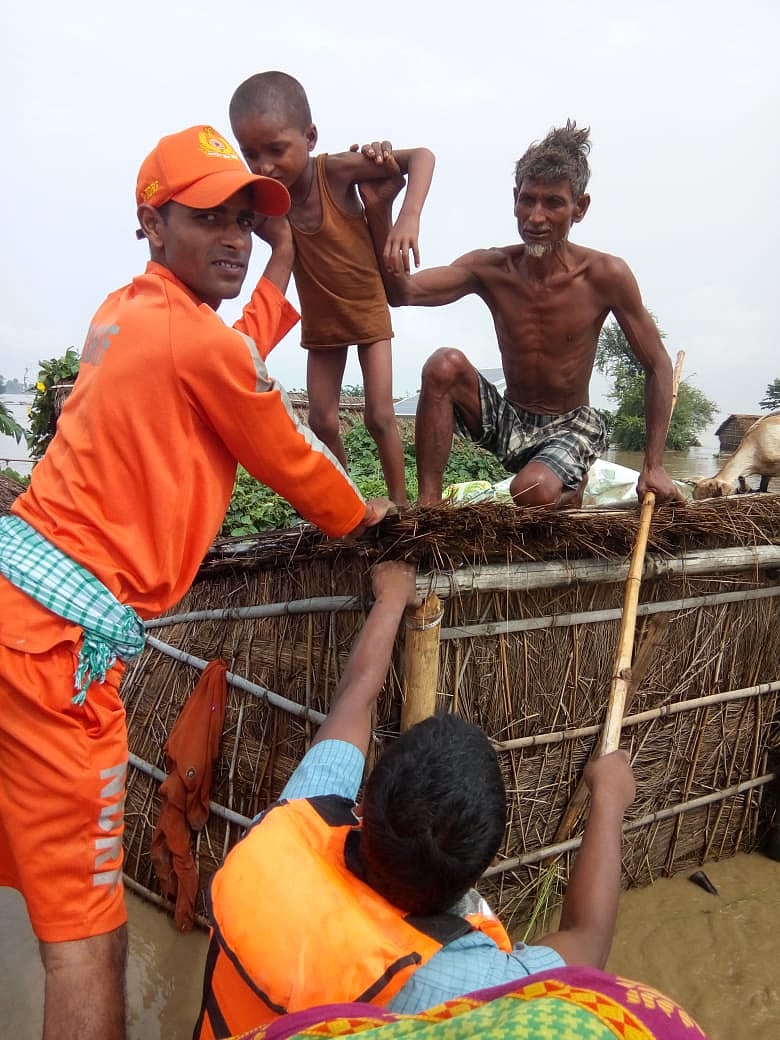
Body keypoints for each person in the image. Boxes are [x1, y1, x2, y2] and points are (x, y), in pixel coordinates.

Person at [0, 123, 391, 1040]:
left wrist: (279, 268)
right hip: (58, 660)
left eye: (244, 221)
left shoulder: (126, 311)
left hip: (18, 602)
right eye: (207, 214)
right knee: (89, 937)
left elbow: (224, 355)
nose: (231, 235)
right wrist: (373, 518)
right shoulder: (193, 343)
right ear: (151, 221)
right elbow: (296, 460)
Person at [194, 560, 636, 1040]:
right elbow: (588, 941)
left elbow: (354, 699)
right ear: (476, 879)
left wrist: (390, 597)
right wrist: (609, 799)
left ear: (362, 806)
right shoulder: (467, 982)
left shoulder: (287, 828)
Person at [359, 122, 684, 507]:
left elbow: (658, 365)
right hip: (510, 418)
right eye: (527, 200)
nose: (535, 217)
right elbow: (404, 292)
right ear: (514, 198)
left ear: (580, 208)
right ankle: (429, 510)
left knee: (529, 492)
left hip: (571, 425)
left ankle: (566, 492)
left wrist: (654, 465)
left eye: (553, 203)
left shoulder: (605, 276)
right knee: (443, 364)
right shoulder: (492, 267)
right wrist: (379, 211)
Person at [229, 71, 436, 507]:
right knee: (322, 421)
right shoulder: (267, 202)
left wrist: (408, 216)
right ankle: (352, 504)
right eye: (251, 155)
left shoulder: (335, 172)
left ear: (309, 137)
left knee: (380, 416)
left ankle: (399, 504)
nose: (264, 166)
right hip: (322, 327)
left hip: (367, 313)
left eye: (276, 150)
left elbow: (422, 156)